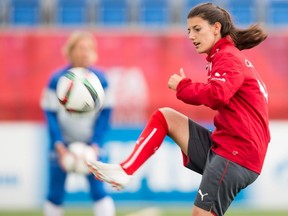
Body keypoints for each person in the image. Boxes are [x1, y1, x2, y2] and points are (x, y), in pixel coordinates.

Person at [87, 2, 271, 216]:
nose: (191, 36)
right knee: (165, 117)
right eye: (188, 31)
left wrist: (184, 86)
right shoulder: (225, 56)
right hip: (226, 147)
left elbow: (217, 95)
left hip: (237, 154)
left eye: (197, 29)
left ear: (216, 28)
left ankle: (126, 171)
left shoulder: (228, 57)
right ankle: (125, 170)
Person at [41, 31, 115, 216]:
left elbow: (106, 115)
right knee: (55, 193)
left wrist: (96, 144)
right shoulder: (56, 79)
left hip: (91, 145)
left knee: (99, 191)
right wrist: (58, 145)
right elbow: (50, 114)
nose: (85, 53)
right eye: (80, 48)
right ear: (70, 51)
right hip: (62, 145)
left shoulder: (102, 80)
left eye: (89, 49)